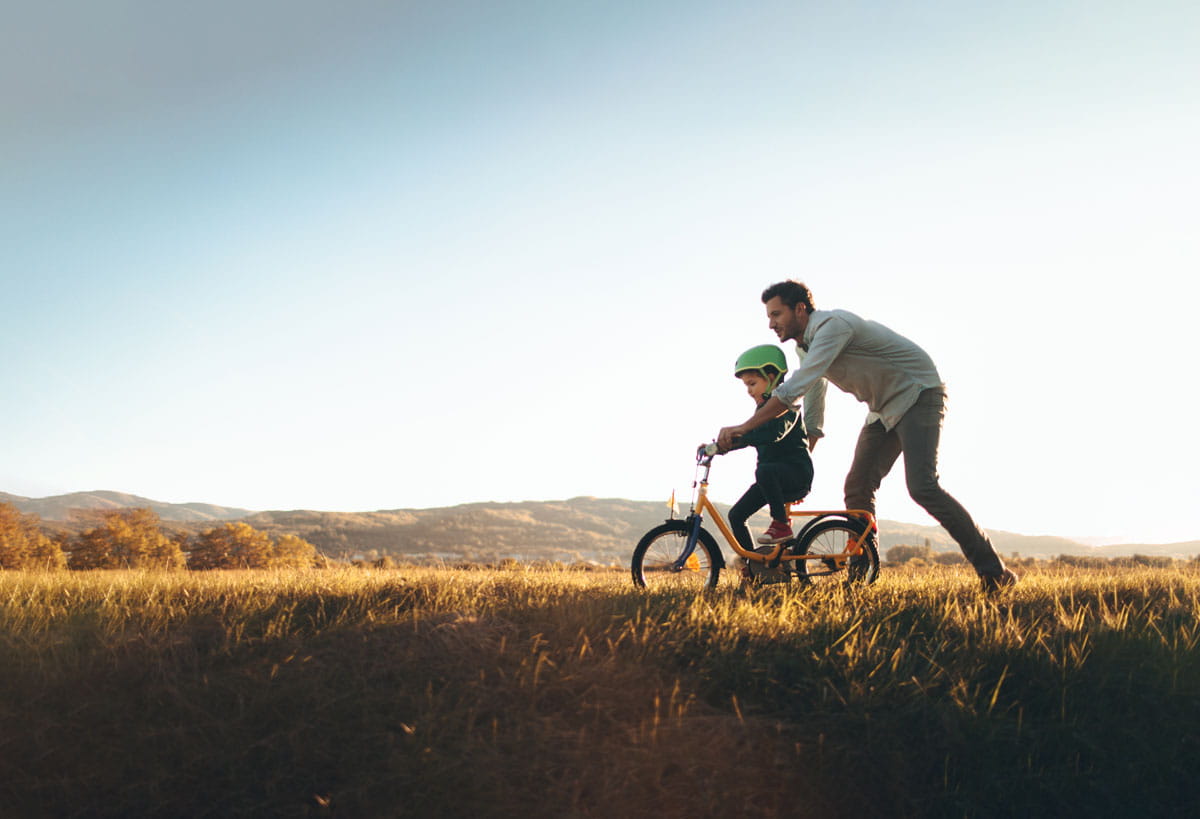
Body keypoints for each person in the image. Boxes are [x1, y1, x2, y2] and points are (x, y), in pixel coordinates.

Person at [717, 280, 1018, 592]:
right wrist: (811, 440)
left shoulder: (832, 327)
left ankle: (995, 573)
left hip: (918, 393)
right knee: (857, 488)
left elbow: (796, 386)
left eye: (776, 314)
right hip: (881, 409)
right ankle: (862, 574)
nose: (771, 323)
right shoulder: (804, 346)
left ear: (800, 309)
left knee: (923, 486)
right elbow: (814, 390)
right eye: (769, 316)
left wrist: (743, 427)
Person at [720, 344, 815, 549]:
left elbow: (774, 434)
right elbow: (752, 436)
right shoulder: (761, 411)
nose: (749, 390)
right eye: (746, 385)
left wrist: (741, 433)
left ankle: (781, 524)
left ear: (771, 377)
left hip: (796, 473)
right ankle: (751, 564)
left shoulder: (788, 406)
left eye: (752, 383)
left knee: (764, 470)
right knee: (736, 515)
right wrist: (721, 446)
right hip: (770, 478)